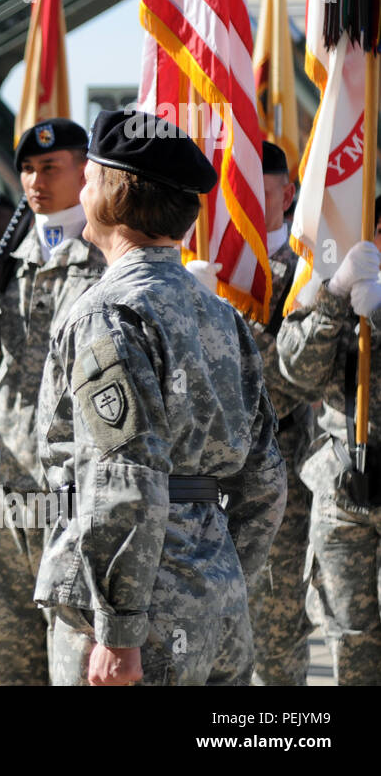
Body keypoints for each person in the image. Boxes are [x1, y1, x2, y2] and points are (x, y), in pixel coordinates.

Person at [35, 109, 285, 686]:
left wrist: (119, 630)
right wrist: (218, 579)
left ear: (114, 194)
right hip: (211, 603)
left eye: (92, 174)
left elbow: (124, 474)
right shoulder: (223, 317)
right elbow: (265, 480)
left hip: (134, 624)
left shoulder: (108, 313)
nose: (83, 185)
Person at [0, 118, 105, 685]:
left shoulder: (107, 259)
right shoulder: (4, 261)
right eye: (27, 168)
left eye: (50, 167)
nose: (34, 180)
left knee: (74, 632)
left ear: (86, 170)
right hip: (6, 471)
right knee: (10, 628)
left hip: (74, 479)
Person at [277, 195, 381, 686]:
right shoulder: (338, 282)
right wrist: (335, 295)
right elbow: (298, 372)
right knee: (350, 635)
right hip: (345, 488)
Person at [241, 142, 316, 685]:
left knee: (276, 623)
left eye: (258, 188)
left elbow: (291, 379)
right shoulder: (215, 261)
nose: (241, 199)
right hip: (206, 477)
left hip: (279, 466)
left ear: (287, 194)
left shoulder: (305, 271)